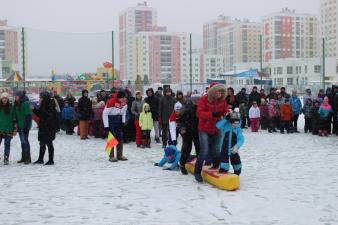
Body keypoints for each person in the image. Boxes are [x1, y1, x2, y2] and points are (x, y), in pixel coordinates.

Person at [195, 82, 229, 183]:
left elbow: (225, 110)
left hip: (217, 128)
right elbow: (199, 113)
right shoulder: (204, 99)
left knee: (216, 150)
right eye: (217, 92)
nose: (219, 94)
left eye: (221, 92)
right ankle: (197, 171)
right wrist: (212, 114)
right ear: (212, 91)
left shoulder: (222, 101)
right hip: (204, 128)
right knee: (204, 151)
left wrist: (227, 113)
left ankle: (216, 165)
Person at [177, 94, 201, 175]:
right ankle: (182, 164)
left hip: (197, 131)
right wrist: (182, 128)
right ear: (191, 100)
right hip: (186, 131)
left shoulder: (201, 107)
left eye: (198, 101)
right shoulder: (185, 108)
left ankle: (198, 165)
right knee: (187, 148)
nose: (196, 102)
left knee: (199, 148)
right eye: (194, 101)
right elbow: (179, 119)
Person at [32, 92, 58, 165]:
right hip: (43, 127)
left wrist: (47, 126)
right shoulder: (43, 105)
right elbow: (41, 115)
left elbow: (50, 118)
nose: (39, 99)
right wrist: (34, 109)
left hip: (48, 128)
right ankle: (40, 159)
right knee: (42, 143)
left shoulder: (50, 105)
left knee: (49, 144)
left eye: (40, 97)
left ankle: (51, 160)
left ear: (44, 98)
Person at [216, 109, 244, 175]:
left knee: (236, 161)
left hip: (233, 149)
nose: (236, 125)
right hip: (224, 148)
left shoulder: (238, 129)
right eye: (234, 123)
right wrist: (225, 119)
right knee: (224, 161)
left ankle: (237, 170)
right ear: (231, 122)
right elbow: (218, 125)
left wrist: (237, 146)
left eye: (237, 123)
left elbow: (241, 139)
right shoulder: (225, 126)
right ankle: (223, 170)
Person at [103, 90, 128, 162]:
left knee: (120, 137)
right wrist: (106, 126)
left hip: (119, 120)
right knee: (111, 138)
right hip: (111, 120)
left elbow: (124, 113)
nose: (124, 99)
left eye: (124, 98)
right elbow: (104, 114)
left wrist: (123, 122)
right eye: (123, 98)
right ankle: (111, 156)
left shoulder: (124, 103)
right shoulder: (111, 102)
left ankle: (120, 155)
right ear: (119, 97)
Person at [14, 91, 32, 164]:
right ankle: (24, 157)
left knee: (25, 142)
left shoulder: (25, 103)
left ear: (20, 96)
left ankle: (28, 158)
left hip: (24, 126)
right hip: (20, 126)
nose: (15, 97)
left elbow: (28, 116)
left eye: (17, 96)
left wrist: (25, 127)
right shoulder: (18, 103)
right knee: (22, 142)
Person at [0, 92, 16, 165]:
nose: (4, 99)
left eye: (5, 98)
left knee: (7, 144)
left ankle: (6, 158)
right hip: (0, 129)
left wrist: (15, 129)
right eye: (3, 98)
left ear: (7, 99)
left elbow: (14, 119)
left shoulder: (11, 107)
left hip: (9, 129)